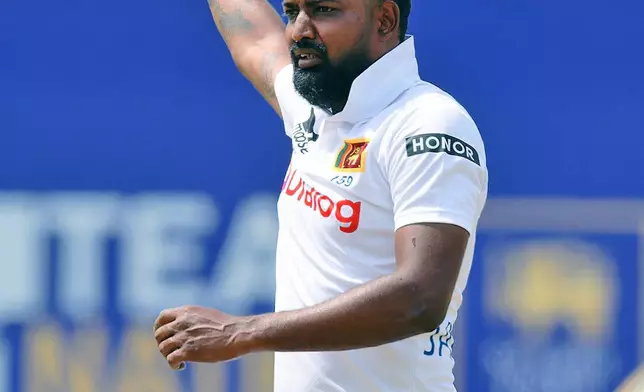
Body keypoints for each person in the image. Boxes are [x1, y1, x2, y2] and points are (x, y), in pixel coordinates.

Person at [153, 0, 488, 391]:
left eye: (324, 10)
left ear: (385, 19)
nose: (299, 31)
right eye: (292, 10)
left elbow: (419, 297)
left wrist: (239, 332)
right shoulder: (315, 109)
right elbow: (255, 36)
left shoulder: (427, 125)